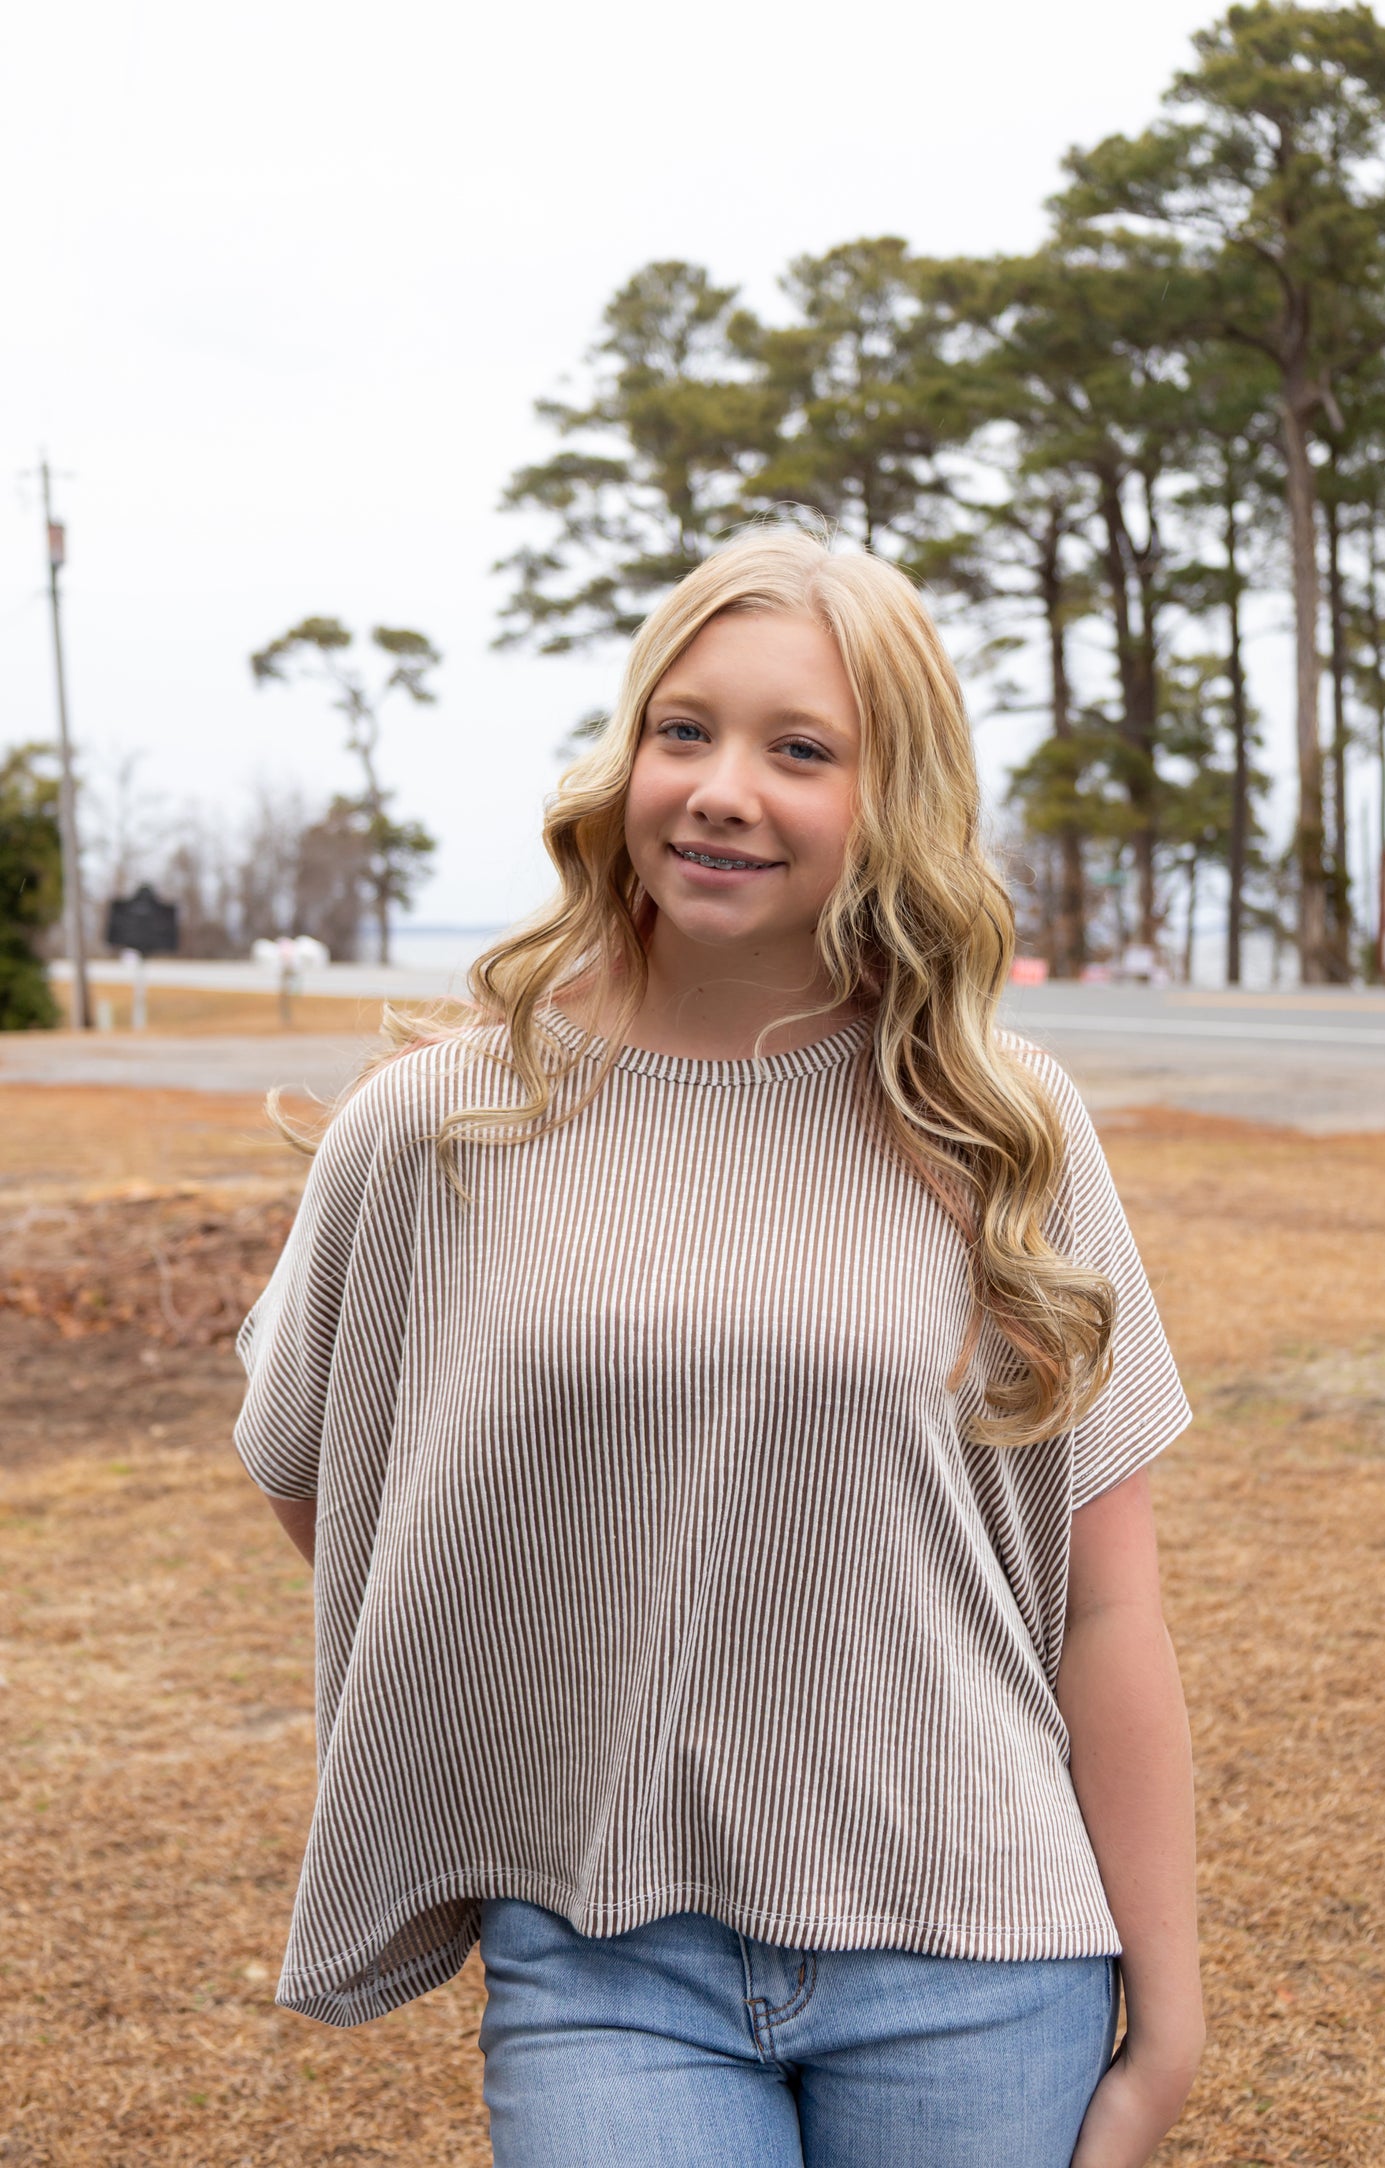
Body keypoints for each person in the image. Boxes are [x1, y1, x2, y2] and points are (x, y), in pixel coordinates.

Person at [234, 527, 1204, 2167]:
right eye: (681, 730)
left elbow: (1105, 1601)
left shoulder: (997, 1124)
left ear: (892, 795)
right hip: (609, 1958)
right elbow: (326, 1475)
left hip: (981, 1944)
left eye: (798, 749)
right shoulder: (438, 1126)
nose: (720, 788)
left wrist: (1165, 2029)